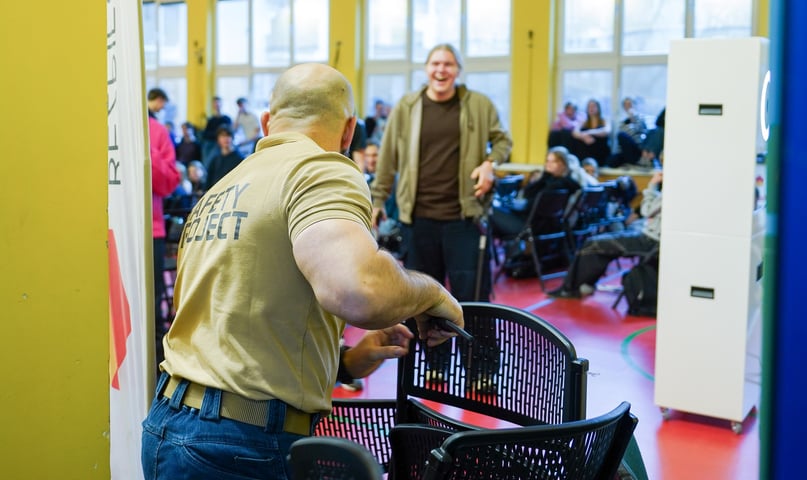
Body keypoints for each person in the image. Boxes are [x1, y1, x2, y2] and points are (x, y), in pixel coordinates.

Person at [141, 63, 463, 479]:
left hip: (167, 428)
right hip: (241, 446)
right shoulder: (319, 168)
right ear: (349, 131)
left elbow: (233, 321)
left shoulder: (222, 189)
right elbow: (358, 290)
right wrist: (432, 293)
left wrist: (344, 363)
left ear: (266, 124)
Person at [370, 44, 512, 389]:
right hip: (419, 220)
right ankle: (434, 366)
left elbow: (502, 140)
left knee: (472, 297)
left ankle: (481, 371)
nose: (441, 70)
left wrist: (490, 164)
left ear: (458, 70)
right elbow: (387, 158)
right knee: (424, 301)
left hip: (463, 217)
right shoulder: (407, 107)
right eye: (435, 63)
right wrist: (377, 199)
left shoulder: (477, 104)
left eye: (448, 64)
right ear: (426, 68)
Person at [548, 168, 662, 299]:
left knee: (593, 243)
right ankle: (583, 285)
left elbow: (646, 210)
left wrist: (652, 184)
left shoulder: (672, 192)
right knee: (596, 243)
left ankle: (569, 289)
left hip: (650, 241)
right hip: (649, 236)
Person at [146, 87, 181, 367]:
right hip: (107, 231)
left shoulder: (156, 132)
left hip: (151, 231)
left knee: (152, 309)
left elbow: (169, 182)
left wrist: (148, 152)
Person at [491, 146, 581, 239]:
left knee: (490, 210)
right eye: (547, 161)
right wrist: (545, 176)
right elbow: (529, 194)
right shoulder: (563, 183)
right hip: (546, 227)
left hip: (531, 227)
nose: (548, 165)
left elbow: (530, 202)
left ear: (563, 164)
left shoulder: (557, 186)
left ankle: (492, 250)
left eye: (553, 162)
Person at [607, 97, 648, 168]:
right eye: (626, 105)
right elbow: (621, 142)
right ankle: (629, 161)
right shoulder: (622, 123)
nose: (628, 106)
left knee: (621, 135)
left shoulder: (640, 119)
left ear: (634, 106)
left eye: (630, 104)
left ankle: (633, 161)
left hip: (637, 149)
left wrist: (633, 118)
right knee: (611, 161)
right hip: (626, 151)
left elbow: (641, 132)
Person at [569, 99, 612, 165]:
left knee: (595, 133)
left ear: (598, 108)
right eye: (589, 107)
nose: (591, 108)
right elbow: (574, 132)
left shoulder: (604, 120)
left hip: (600, 153)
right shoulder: (584, 121)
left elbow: (607, 131)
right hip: (585, 153)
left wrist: (588, 132)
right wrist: (583, 137)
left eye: (593, 106)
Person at [200, 95, 232, 162]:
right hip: (210, 142)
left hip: (220, 143)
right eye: (215, 103)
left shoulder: (226, 119)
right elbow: (206, 133)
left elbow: (228, 132)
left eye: (218, 103)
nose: (216, 105)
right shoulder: (211, 120)